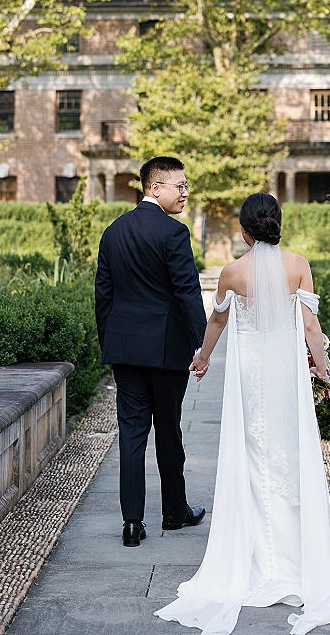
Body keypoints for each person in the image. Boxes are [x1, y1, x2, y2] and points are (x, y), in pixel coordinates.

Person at [156, 192, 330, 635]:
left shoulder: (232, 273)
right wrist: (324, 370)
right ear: (278, 222)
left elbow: (217, 322)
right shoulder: (298, 265)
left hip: (251, 377)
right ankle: (297, 558)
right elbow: (312, 327)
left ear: (243, 230)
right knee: (290, 453)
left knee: (256, 454)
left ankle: (260, 555)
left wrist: (201, 358)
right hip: (287, 373)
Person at [94, 156, 208, 548]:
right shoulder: (173, 233)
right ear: (154, 187)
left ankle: (132, 523)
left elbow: (103, 295)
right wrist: (202, 341)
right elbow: (187, 291)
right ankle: (175, 511)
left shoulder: (113, 232)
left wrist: (109, 342)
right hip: (166, 349)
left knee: (131, 435)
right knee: (169, 431)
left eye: (185, 185)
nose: (184, 192)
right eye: (179, 185)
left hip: (125, 349)